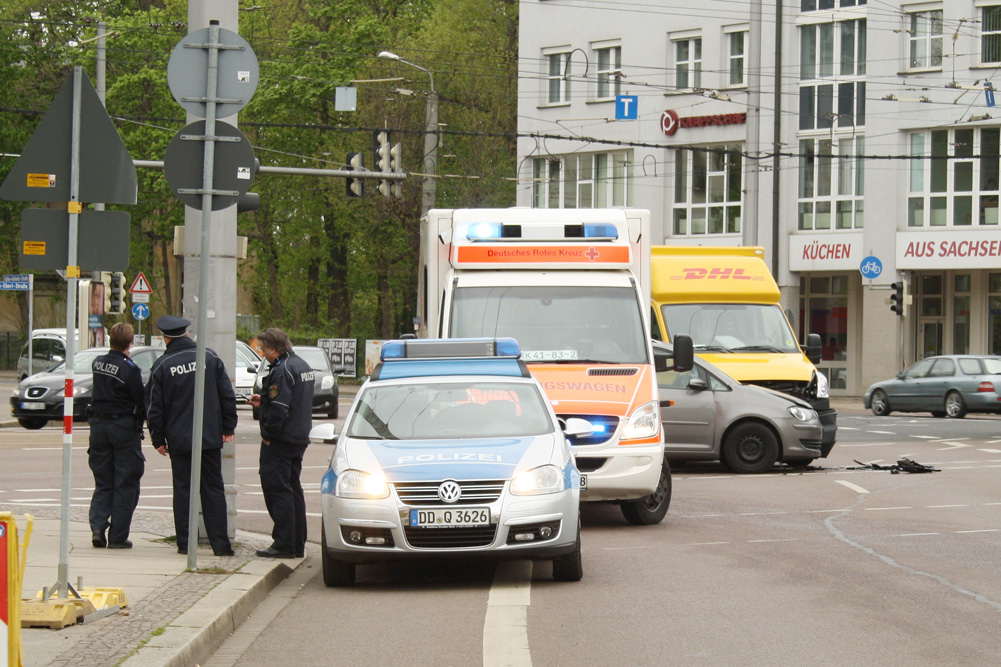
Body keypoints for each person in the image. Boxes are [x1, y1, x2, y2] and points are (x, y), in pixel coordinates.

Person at [145, 315, 237, 557]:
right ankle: (221, 545)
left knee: (183, 490)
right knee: (213, 489)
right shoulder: (210, 357)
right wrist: (228, 427)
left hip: (180, 439)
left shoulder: (163, 366)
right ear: (187, 334)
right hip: (209, 437)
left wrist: (158, 439)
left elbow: (154, 408)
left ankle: (186, 544)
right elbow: (227, 395)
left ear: (165, 338)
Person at [248, 328, 314, 559]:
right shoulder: (302, 365)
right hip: (298, 436)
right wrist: (265, 400)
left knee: (277, 489)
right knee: (293, 489)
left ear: (273, 349)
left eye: (264, 349)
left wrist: (268, 433)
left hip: (281, 439)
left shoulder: (282, 370)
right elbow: (292, 400)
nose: (263, 354)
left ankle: (284, 543)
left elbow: (280, 410)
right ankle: (296, 543)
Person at [88, 322, 145, 549]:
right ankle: (118, 536)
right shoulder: (130, 369)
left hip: (98, 426)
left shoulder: (97, 363)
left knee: (103, 481)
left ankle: (97, 527)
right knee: (126, 482)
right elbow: (140, 399)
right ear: (130, 343)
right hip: (122, 427)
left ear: (110, 340)